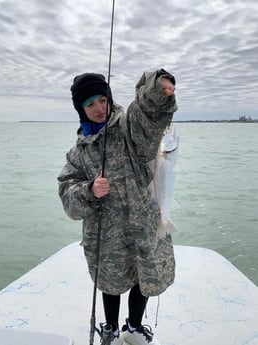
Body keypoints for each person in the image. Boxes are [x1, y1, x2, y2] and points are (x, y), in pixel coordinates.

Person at [58, 69, 178, 345]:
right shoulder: (78, 154)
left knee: (144, 277)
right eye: (90, 104)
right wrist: (88, 190)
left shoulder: (128, 129)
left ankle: (134, 328)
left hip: (145, 225)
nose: (99, 108)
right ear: (81, 109)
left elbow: (147, 115)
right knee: (110, 282)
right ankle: (110, 328)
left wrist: (158, 89)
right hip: (105, 235)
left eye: (102, 100)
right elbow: (68, 197)